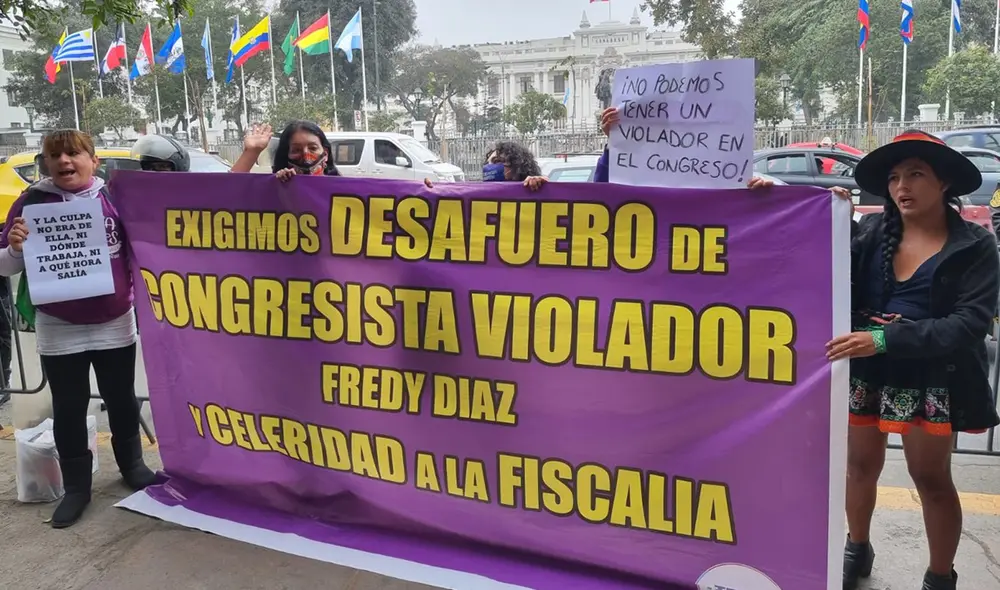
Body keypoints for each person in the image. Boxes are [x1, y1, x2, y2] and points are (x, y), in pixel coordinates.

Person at [827, 130, 1000, 590]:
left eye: (917, 174)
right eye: (895, 177)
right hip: (866, 373)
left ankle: (940, 575)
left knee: (931, 478)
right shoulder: (871, 232)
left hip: (932, 379)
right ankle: (856, 547)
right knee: (859, 469)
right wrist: (780, 205)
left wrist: (881, 339)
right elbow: (814, 259)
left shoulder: (975, 246)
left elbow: (967, 325)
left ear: (944, 183)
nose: (902, 186)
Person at [0, 130, 156, 529]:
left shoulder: (116, 198)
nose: (65, 161)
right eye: (55, 155)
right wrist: (15, 248)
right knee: (69, 407)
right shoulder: (32, 201)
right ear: (46, 163)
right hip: (59, 326)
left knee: (120, 399)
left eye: (74, 153)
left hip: (114, 321)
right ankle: (76, 489)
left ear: (93, 160)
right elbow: (6, 267)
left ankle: (133, 469)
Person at [231, 121, 340, 181]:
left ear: (325, 154)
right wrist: (251, 152)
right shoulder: (277, 188)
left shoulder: (344, 190)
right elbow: (228, 193)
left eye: (313, 148)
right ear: (286, 155)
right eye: (296, 150)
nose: (306, 156)